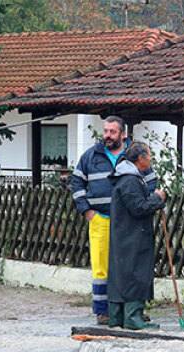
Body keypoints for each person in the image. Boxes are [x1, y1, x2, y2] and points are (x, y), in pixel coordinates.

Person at [70, 116, 157, 325]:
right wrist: (86, 210)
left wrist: (145, 200)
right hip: (101, 217)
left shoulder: (134, 155)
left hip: (128, 221)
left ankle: (130, 311)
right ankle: (103, 311)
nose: (108, 135)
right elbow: (76, 181)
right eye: (106, 131)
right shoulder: (91, 156)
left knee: (129, 265)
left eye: (112, 132)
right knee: (102, 267)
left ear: (122, 134)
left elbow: (151, 180)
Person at [106, 141, 167, 330]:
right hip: (133, 237)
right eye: (149, 156)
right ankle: (132, 318)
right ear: (140, 159)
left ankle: (117, 317)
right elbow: (139, 208)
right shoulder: (130, 180)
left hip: (124, 235)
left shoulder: (125, 177)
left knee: (121, 275)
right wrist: (158, 199)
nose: (150, 160)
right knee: (135, 274)